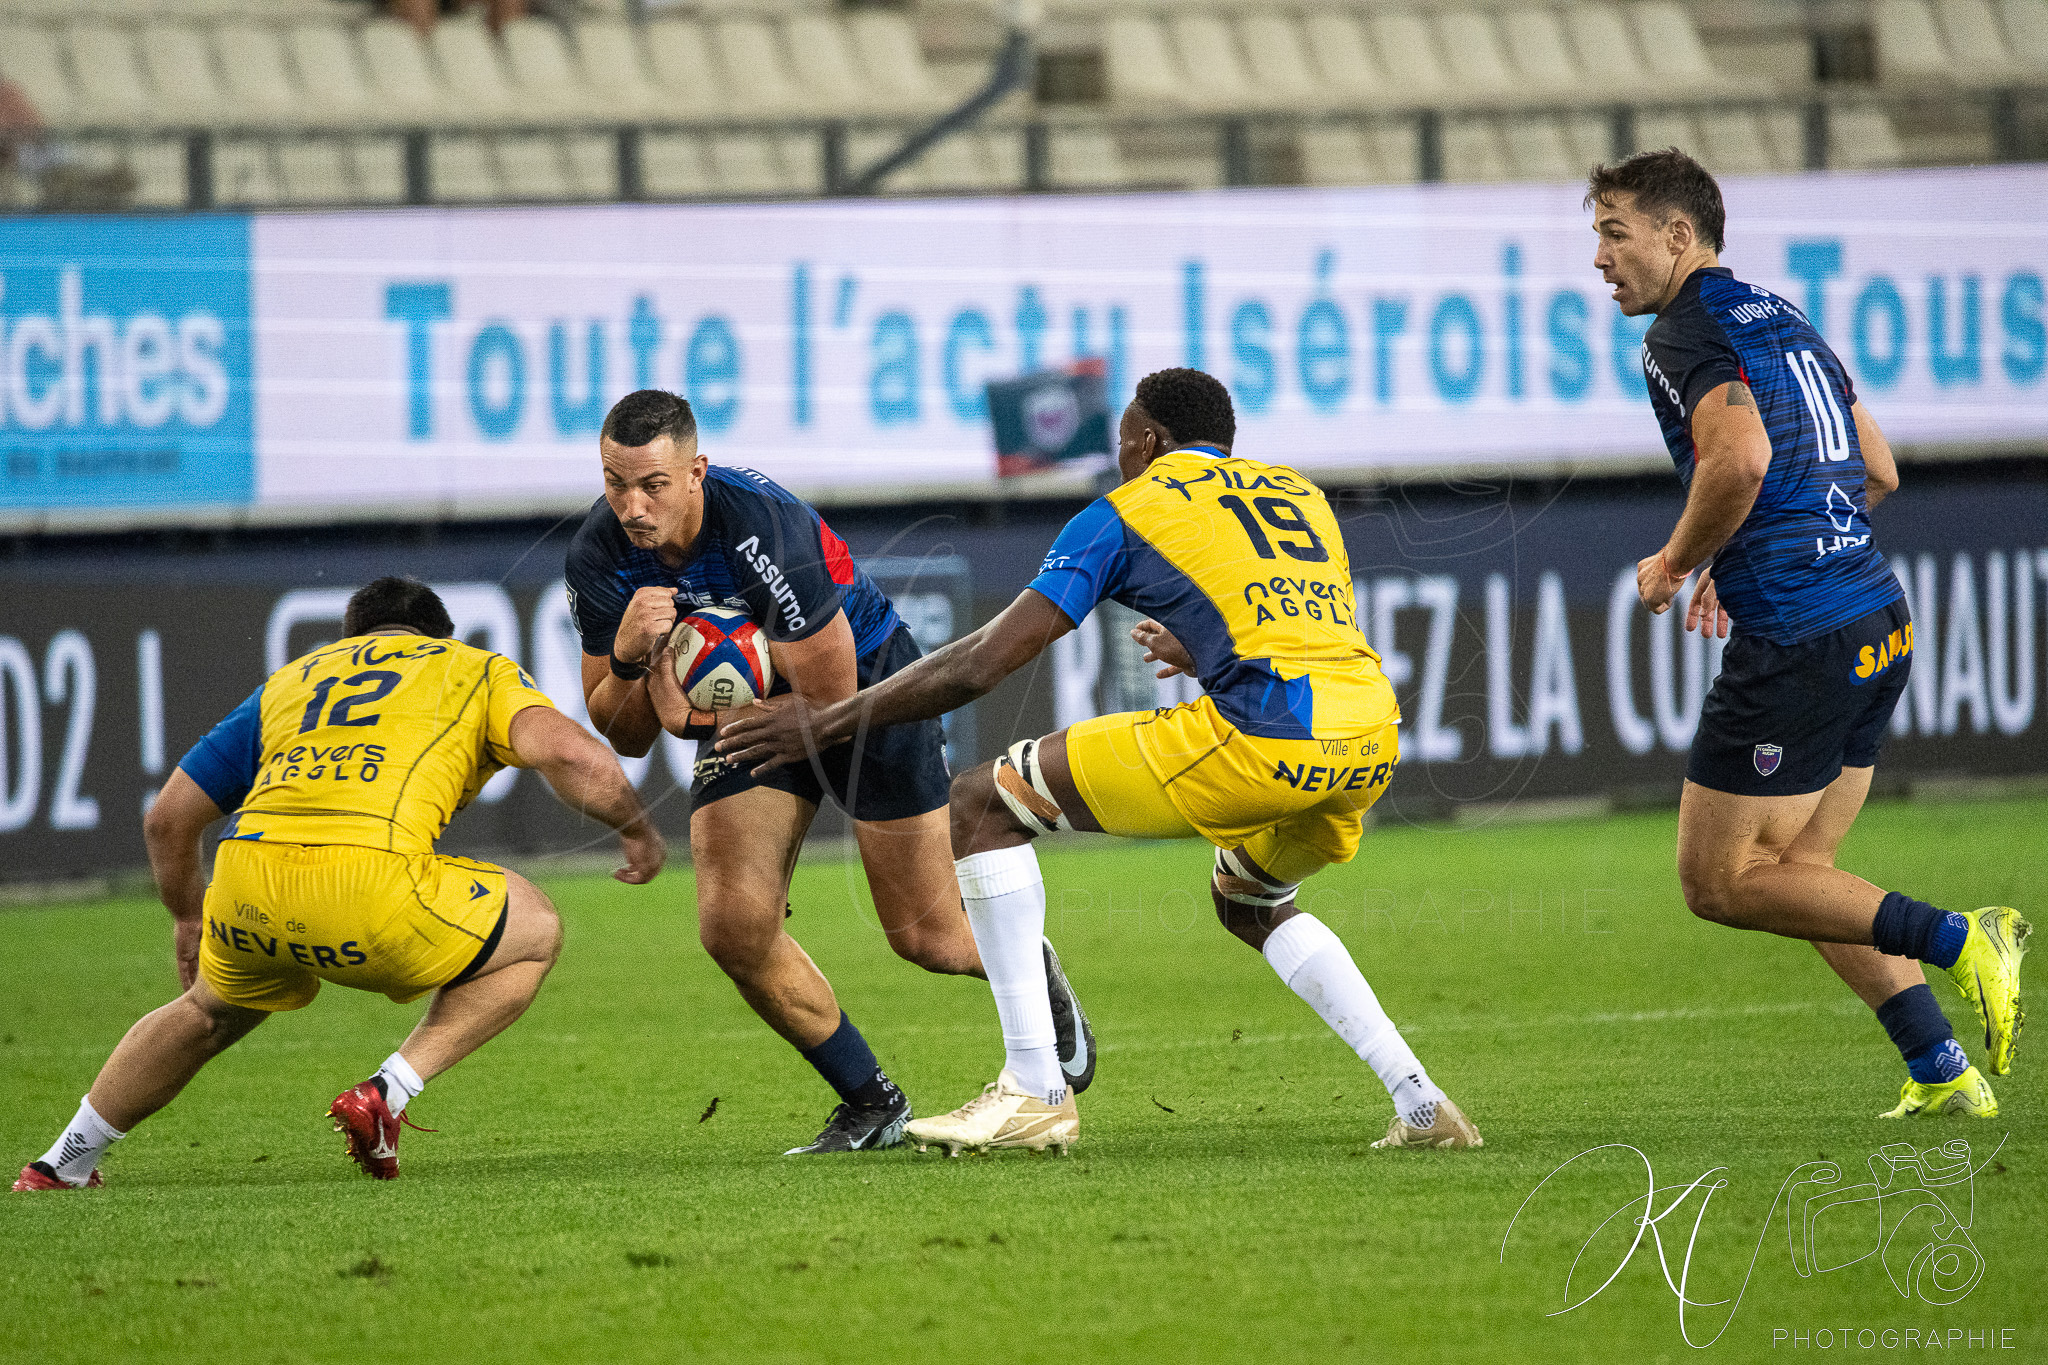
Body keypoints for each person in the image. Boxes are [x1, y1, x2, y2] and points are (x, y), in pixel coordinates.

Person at [718, 368, 1480, 1155]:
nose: (1119, 459)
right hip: (1370, 734)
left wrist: (828, 718)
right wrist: (1205, 647)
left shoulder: (1125, 511)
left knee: (984, 802)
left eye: (1122, 444)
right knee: (1250, 900)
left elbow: (983, 662)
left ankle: (1034, 1090)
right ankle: (1422, 1102)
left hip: (1266, 738)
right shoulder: (1299, 494)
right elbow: (1297, 624)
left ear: (1145, 442)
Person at [1589, 148, 2028, 1118]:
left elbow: (1738, 458)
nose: (1598, 257)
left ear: (1675, 233)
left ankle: (1960, 937)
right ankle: (1938, 1070)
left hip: (1801, 639)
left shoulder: (1682, 330)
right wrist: (1750, 556)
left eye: (1612, 232)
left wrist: (1673, 563)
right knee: (1800, 878)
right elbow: (1876, 467)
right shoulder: (1780, 318)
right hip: (1876, 616)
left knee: (1719, 881)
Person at [566, 389, 1094, 1155]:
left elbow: (830, 695)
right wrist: (626, 657)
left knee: (928, 936)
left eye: (653, 485)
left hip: (869, 688)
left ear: (696, 472)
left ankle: (1029, 964)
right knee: (733, 927)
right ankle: (869, 1100)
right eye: (616, 482)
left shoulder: (762, 531)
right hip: (756, 707)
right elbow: (625, 731)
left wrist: (698, 701)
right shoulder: (601, 553)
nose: (632, 505)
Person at [12, 578, 663, 1191]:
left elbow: (166, 819)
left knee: (210, 1010)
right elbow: (570, 752)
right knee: (537, 926)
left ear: (353, 637)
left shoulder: (291, 683)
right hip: (369, 888)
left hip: (247, 887)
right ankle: (388, 1092)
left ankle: (62, 1160)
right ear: (439, 635)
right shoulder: (473, 669)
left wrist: (188, 916)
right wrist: (636, 826)